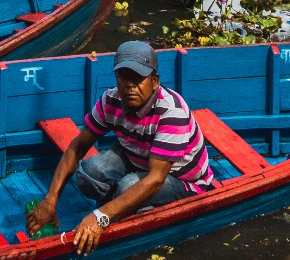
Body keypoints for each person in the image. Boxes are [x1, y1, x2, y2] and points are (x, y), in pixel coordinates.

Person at [27, 41, 215, 253]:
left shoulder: (172, 112)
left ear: (154, 81)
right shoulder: (111, 99)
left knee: (128, 186)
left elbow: (155, 179)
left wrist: (100, 217)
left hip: (183, 180)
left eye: (138, 78)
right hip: (137, 157)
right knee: (89, 174)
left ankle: (130, 212)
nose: (129, 84)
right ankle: (122, 205)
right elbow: (77, 148)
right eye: (123, 76)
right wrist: (50, 201)